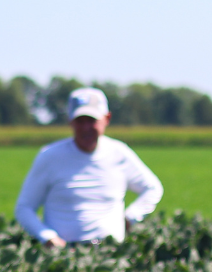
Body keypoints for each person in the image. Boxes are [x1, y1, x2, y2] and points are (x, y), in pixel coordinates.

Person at [16, 87, 164, 248]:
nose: (86, 128)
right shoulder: (50, 156)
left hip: (110, 253)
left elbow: (153, 188)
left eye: (92, 121)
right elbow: (25, 207)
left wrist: (129, 218)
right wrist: (48, 237)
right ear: (70, 121)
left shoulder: (119, 153)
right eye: (80, 121)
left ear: (107, 119)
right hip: (64, 254)